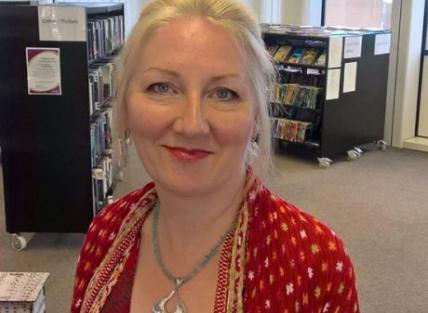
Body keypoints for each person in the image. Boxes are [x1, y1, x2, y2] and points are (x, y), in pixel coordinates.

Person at [71, 0, 360, 312]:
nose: (191, 125)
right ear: (126, 105)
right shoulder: (106, 232)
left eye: (224, 93)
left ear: (256, 117)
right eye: (162, 87)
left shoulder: (316, 263)